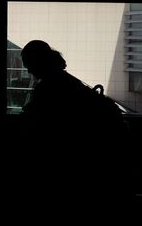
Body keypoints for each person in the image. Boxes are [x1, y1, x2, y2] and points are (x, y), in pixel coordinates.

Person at [18, 40, 129, 222]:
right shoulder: (67, 82)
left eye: (29, 65)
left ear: (37, 63)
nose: (29, 70)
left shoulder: (48, 89)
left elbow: (40, 127)